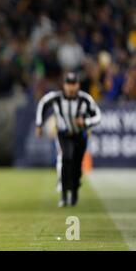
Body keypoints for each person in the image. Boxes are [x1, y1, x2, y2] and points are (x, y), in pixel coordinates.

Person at [35, 72, 101, 207]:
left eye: (73, 84)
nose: (71, 87)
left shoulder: (85, 99)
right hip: (63, 134)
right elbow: (42, 104)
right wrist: (39, 124)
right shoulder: (56, 98)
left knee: (77, 165)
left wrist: (86, 122)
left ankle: (75, 192)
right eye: (68, 84)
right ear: (64, 85)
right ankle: (64, 196)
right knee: (66, 158)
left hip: (80, 135)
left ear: (78, 85)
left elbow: (98, 116)